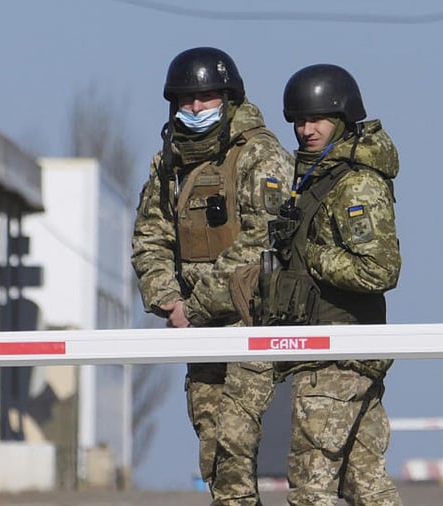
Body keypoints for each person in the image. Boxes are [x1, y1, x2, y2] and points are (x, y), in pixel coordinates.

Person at [130, 47, 293, 498]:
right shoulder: (170, 163)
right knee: (214, 456)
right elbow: (150, 236)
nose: (197, 108)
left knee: (235, 441)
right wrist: (168, 299)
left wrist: (196, 306)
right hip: (198, 329)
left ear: (229, 97)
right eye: (187, 100)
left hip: (250, 322)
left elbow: (264, 243)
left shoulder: (261, 156)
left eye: (207, 98)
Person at [260, 63, 402, 505]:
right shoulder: (314, 177)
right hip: (327, 353)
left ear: (341, 119)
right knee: (366, 485)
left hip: (337, 355)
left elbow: (380, 269)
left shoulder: (355, 183)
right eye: (300, 121)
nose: (306, 130)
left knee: (311, 487)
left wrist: (313, 258)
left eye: (317, 120)